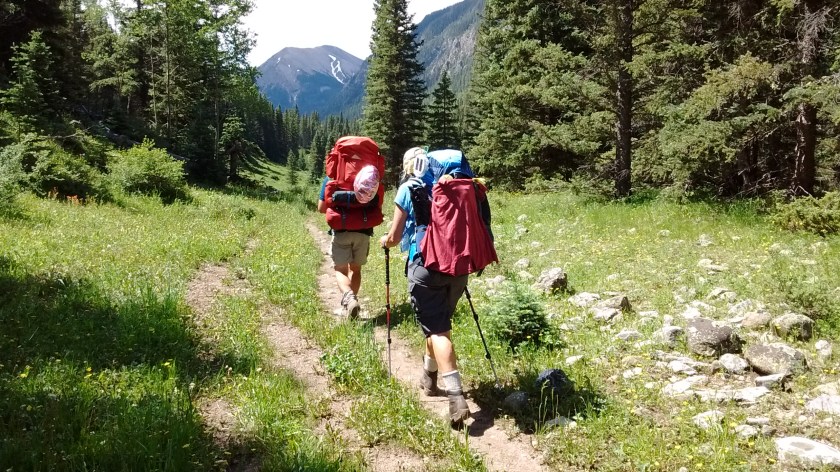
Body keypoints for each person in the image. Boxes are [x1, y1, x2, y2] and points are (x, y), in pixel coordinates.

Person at [379, 147, 471, 426]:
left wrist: (385, 241)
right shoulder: (453, 187)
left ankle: (455, 396)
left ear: (408, 167)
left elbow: (394, 237)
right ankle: (428, 378)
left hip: (425, 267)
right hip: (457, 267)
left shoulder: (409, 188)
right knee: (437, 324)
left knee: (438, 330)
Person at [318, 175, 371, 319]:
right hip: (364, 229)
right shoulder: (369, 175)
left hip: (341, 229)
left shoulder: (332, 176)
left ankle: (349, 298)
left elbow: (321, 207)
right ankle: (351, 303)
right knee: (356, 269)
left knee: (340, 269)